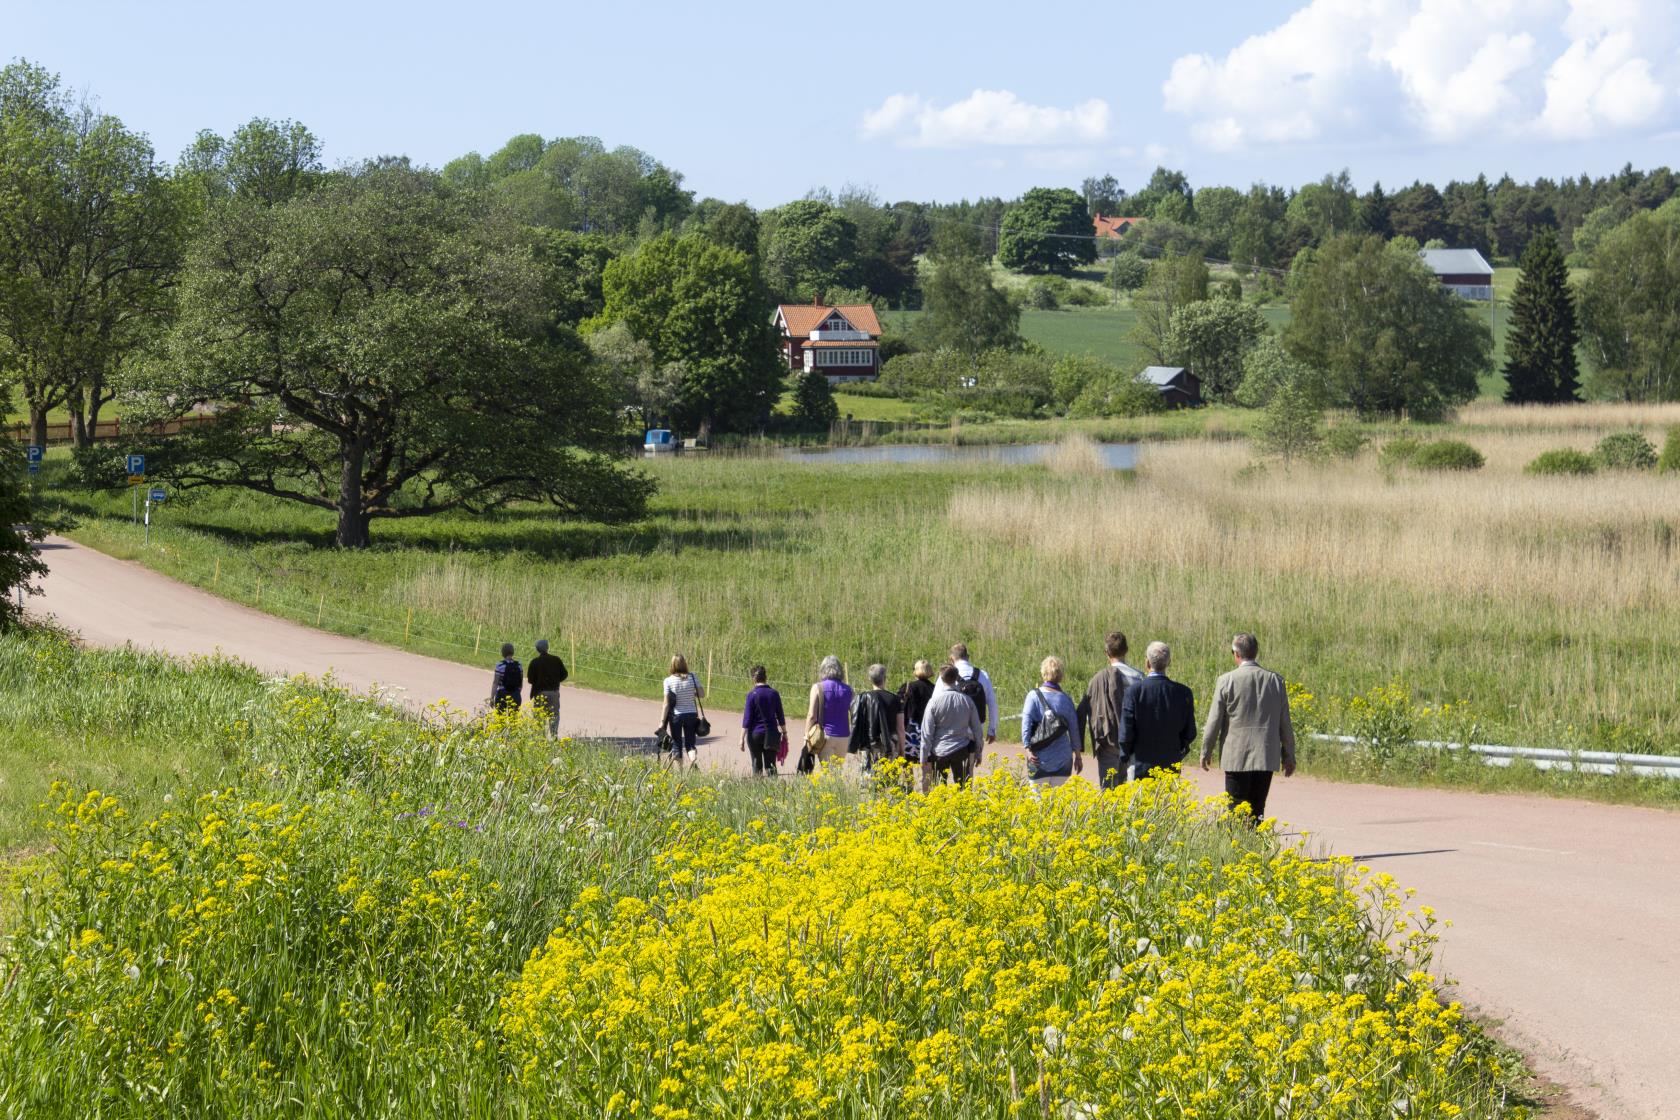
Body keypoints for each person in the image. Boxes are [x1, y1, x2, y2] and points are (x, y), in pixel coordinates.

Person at [1201, 632, 1297, 825]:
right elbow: (1284, 723)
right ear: (1256, 652)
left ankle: (1237, 848)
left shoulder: (1226, 681)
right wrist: (1289, 755)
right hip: (1265, 754)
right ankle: (1254, 847)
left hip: (1236, 754)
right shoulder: (1275, 681)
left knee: (1235, 807)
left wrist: (1206, 750)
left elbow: (1214, 721)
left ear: (1236, 654)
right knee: (1258, 807)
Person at [1118, 641, 1196, 782]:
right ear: (1169, 662)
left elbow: (1126, 731)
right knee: (1167, 803)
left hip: (1140, 762)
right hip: (1170, 763)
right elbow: (1190, 732)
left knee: (1139, 802)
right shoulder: (1183, 693)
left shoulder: (1134, 692)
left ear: (1147, 663)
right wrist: (1178, 750)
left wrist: (1126, 755)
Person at [1077, 631, 1145, 789]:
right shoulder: (1139, 678)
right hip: (1133, 742)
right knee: (1131, 793)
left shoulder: (1097, 679)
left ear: (1106, 653)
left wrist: (1078, 747)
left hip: (1107, 741)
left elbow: (1082, 711)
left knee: (1108, 792)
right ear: (1126, 650)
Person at [1021, 656, 1082, 787]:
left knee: (1037, 802)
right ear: (1060, 676)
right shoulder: (1066, 699)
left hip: (1038, 758)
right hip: (1063, 758)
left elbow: (1026, 723)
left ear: (1043, 673)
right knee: (1057, 802)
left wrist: (1027, 748)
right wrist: (1077, 756)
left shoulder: (1033, 696)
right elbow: (1074, 729)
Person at [922, 664, 984, 786]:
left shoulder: (934, 702)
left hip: (939, 751)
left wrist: (924, 756)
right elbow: (977, 729)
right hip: (961, 749)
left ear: (941, 677)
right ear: (956, 678)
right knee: (963, 789)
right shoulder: (967, 700)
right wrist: (978, 751)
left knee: (939, 790)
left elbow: (927, 732)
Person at [948, 642, 998, 768]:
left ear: (951, 659)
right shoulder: (982, 675)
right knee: (968, 773)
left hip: (953, 731)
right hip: (975, 731)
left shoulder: (947, 675)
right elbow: (992, 703)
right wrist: (992, 729)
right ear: (968, 657)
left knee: (946, 771)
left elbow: (936, 702)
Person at [849, 664, 904, 771]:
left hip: (868, 743)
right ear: (885, 678)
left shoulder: (862, 699)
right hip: (890, 742)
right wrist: (902, 751)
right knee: (890, 777)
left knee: (868, 776)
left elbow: (856, 723)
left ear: (870, 679)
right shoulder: (895, 699)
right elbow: (900, 728)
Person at [805, 655, 854, 768]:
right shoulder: (849, 690)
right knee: (837, 771)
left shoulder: (818, 687)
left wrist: (806, 736)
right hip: (844, 736)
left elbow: (811, 715)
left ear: (823, 669)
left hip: (825, 735)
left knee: (828, 773)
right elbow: (854, 713)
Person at [739, 665, 786, 777]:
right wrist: (785, 733)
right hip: (771, 734)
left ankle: (757, 790)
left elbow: (747, 719)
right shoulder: (774, 694)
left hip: (754, 734)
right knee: (771, 766)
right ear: (766, 677)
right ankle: (774, 791)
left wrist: (741, 738)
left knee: (756, 766)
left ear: (753, 678)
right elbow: (780, 716)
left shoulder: (751, 695)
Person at [898, 660, 937, 792]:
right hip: (928, 731)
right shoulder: (935, 688)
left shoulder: (908, 687)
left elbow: (899, 708)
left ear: (915, 671)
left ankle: (909, 791)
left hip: (910, 731)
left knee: (907, 763)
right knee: (927, 764)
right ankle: (926, 794)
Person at [661, 654, 706, 768]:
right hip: (691, 714)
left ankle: (680, 772)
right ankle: (693, 761)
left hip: (676, 716)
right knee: (690, 744)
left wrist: (662, 721)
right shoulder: (692, 677)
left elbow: (666, 704)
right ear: (684, 663)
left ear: (672, 665)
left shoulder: (668, 681)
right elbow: (702, 694)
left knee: (677, 744)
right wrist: (692, 693)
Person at [527, 639, 569, 739]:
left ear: (537, 649)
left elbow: (530, 679)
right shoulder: (556, 660)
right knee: (554, 715)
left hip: (539, 693)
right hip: (553, 692)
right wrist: (556, 681)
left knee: (539, 716)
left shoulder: (534, 662)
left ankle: (541, 738)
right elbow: (564, 674)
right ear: (547, 647)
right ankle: (554, 736)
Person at [489, 643, 523, 715]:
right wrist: (516, 692)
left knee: (500, 719)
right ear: (513, 652)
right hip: (515, 694)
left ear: (503, 653)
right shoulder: (519, 665)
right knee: (514, 720)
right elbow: (521, 683)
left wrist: (492, 698)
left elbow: (495, 682)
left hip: (502, 693)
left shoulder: (500, 665)